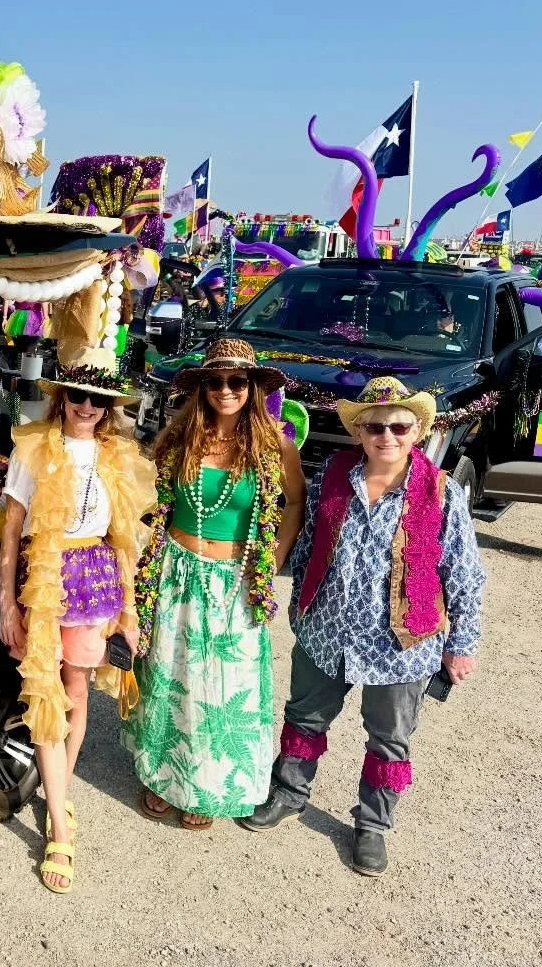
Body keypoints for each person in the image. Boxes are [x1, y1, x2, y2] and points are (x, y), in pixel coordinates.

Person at [239, 377, 485, 877]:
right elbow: (310, 539)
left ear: (418, 430)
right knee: (305, 717)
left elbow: (464, 572)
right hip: (325, 632)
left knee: (389, 740)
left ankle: (373, 826)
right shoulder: (334, 474)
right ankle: (289, 792)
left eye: (399, 426)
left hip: (401, 644)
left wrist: (461, 643)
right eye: (375, 426)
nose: (386, 436)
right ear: (360, 433)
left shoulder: (441, 492)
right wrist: (298, 605)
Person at [128, 338, 305, 829]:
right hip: (177, 573)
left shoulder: (274, 447)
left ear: (251, 388)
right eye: (215, 381)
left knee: (222, 687)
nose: (226, 390)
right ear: (202, 387)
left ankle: (204, 787)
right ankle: (163, 774)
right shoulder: (178, 439)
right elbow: (144, 499)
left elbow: (294, 503)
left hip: (236, 580)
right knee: (171, 676)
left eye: (236, 381)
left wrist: (272, 561)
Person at [0, 347, 155, 893]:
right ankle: (61, 825)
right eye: (79, 396)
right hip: (44, 578)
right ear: (63, 399)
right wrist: (7, 604)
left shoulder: (117, 456)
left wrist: (131, 613)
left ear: (108, 408)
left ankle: (56, 793)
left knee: (78, 694)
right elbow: (13, 530)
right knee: (43, 696)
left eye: (99, 399)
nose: (87, 406)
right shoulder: (34, 447)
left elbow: (126, 542)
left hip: (96, 582)